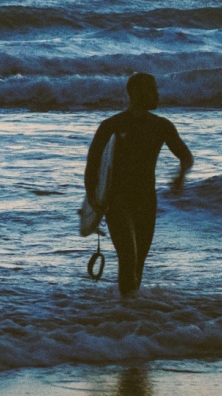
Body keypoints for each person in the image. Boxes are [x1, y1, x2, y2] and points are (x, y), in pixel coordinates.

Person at [83, 73, 193, 295]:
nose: (157, 95)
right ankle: (126, 312)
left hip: (146, 201)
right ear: (135, 92)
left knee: (139, 261)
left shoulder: (161, 126)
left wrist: (180, 176)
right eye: (152, 89)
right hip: (117, 200)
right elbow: (93, 165)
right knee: (128, 258)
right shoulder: (112, 125)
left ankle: (130, 314)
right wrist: (93, 200)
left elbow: (185, 156)